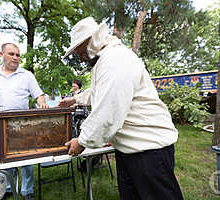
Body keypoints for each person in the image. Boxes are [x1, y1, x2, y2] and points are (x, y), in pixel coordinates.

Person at [59, 17, 184, 200]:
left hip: (148, 150)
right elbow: (98, 93)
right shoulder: (106, 60)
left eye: (81, 51)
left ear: (92, 41)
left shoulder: (114, 61)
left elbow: (107, 114)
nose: (81, 57)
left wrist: (82, 141)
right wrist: (74, 99)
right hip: (131, 151)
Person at [0, 42, 49, 200]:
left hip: (22, 124)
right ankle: (7, 187)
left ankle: (27, 191)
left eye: (18, 55)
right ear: (1, 55)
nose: (16, 57)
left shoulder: (27, 75)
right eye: (11, 54)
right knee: (4, 159)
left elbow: (39, 94)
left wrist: (41, 102)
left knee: (27, 161)